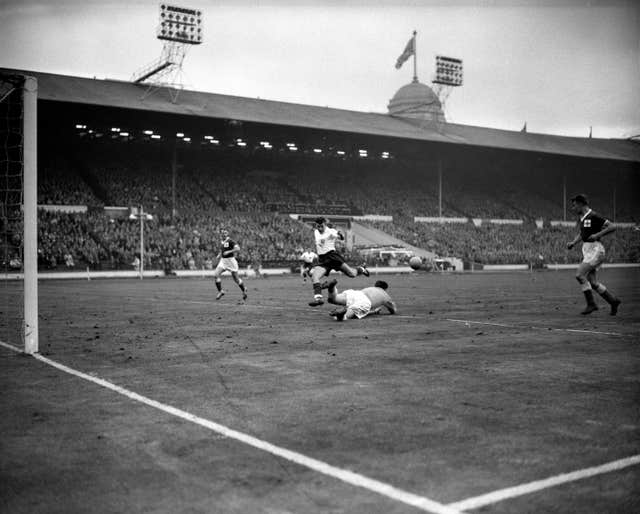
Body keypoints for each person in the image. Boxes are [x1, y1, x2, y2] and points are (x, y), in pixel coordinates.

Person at [566, 194, 621, 315]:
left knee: (579, 275)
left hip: (595, 249)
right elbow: (582, 233)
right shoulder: (584, 218)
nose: (573, 208)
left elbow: (612, 226)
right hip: (589, 250)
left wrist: (597, 235)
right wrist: (573, 243)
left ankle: (591, 304)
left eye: (574, 205)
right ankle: (613, 301)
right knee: (593, 282)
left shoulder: (593, 216)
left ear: (581, 204)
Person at [308, 217, 369, 306]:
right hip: (323, 259)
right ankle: (318, 299)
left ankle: (362, 269)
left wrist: (340, 235)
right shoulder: (316, 232)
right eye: (318, 226)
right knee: (315, 276)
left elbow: (340, 237)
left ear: (325, 224)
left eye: (321, 226)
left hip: (332, 257)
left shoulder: (331, 231)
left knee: (351, 274)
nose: (320, 228)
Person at [321, 278, 397, 321]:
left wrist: (374, 311)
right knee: (346, 316)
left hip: (355, 293)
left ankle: (332, 287)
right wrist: (389, 305)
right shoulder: (385, 294)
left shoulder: (370, 288)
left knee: (333, 299)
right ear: (384, 289)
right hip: (364, 301)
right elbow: (393, 310)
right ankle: (341, 315)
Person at [212, 228, 248, 301]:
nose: (223, 234)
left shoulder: (230, 241)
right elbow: (222, 250)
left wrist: (229, 252)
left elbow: (238, 249)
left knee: (236, 279)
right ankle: (221, 291)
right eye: (222, 233)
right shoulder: (222, 241)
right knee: (216, 275)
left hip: (231, 261)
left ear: (227, 234)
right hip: (223, 261)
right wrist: (219, 254)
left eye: (225, 233)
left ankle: (244, 290)